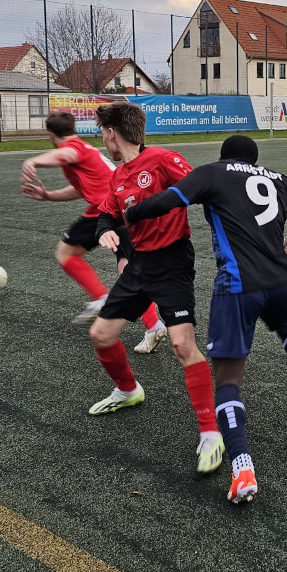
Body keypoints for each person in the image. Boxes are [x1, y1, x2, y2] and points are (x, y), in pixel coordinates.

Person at [124, 135, 287, 504]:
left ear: (224, 156)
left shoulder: (213, 174)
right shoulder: (279, 180)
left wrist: (128, 214)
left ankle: (243, 467)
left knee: (228, 380)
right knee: (286, 326)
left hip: (238, 287)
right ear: (254, 159)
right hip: (280, 281)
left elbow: (165, 201)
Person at [86, 101, 223, 474]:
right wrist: (107, 230)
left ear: (112, 132)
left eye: (103, 132)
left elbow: (202, 188)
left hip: (172, 264)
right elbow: (107, 213)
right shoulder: (117, 176)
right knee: (101, 333)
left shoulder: (163, 159)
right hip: (138, 265)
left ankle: (210, 432)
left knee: (182, 345)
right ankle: (129, 390)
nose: (103, 138)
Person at [20, 111, 166, 354]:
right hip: (115, 206)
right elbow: (80, 189)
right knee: (126, 266)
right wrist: (48, 196)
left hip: (108, 210)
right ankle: (152, 324)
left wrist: (32, 161)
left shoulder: (74, 148)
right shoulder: (83, 151)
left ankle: (105, 299)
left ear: (50, 135)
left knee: (68, 254)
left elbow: (66, 153)